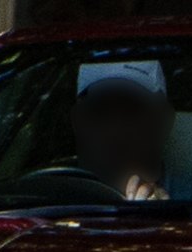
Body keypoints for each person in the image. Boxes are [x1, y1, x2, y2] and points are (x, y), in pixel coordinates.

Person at [71, 60, 175, 201]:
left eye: (132, 111)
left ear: (164, 120)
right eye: (98, 112)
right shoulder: (44, 200)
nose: (114, 130)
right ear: (77, 121)